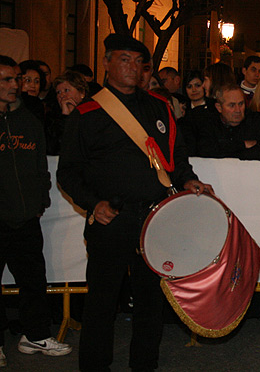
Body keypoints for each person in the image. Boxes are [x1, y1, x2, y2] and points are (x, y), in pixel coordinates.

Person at [57, 34, 213, 371]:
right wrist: (92, 203)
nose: (132, 67)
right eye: (124, 59)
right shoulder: (87, 113)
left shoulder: (158, 107)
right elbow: (67, 172)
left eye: (137, 61)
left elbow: (176, 156)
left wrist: (186, 178)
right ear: (107, 63)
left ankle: (145, 363)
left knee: (150, 300)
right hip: (111, 219)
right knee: (102, 301)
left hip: (154, 218)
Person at [0, 55, 72, 366]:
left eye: (16, 78)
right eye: (6, 80)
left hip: (27, 217)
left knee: (33, 280)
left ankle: (35, 335)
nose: (14, 85)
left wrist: (40, 199)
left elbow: (40, 164)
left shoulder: (29, 118)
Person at [180, 84, 260, 161]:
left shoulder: (256, 120)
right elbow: (206, 150)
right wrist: (243, 145)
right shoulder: (208, 122)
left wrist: (228, 149)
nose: (238, 110)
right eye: (232, 105)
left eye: (241, 104)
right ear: (219, 107)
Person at [45, 71, 88, 155]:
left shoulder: (92, 115)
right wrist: (65, 117)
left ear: (82, 93)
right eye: (58, 92)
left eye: (66, 90)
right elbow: (53, 148)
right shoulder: (51, 118)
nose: (62, 95)